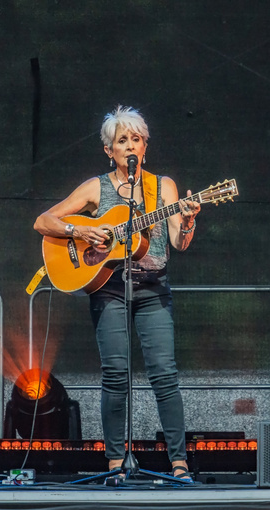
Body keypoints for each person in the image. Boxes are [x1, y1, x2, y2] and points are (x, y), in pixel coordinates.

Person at [33, 105, 200, 481]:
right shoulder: (97, 188)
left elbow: (179, 241)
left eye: (136, 139)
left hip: (153, 288)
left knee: (164, 374)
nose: (130, 146)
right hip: (108, 288)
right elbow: (43, 221)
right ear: (109, 150)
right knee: (115, 374)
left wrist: (187, 221)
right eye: (121, 140)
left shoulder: (164, 187)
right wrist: (81, 232)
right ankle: (114, 463)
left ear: (145, 147)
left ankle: (179, 463)